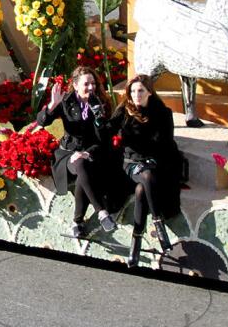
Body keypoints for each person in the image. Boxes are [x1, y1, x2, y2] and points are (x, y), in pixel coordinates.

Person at [37, 66, 126, 238]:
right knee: (79, 163)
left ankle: (77, 222)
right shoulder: (66, 101)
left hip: (93, 152)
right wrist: (52, 105)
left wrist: (99, 118)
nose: (91, 88)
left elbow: (104, 137)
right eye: (86, 84)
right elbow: (42, 121)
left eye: (93, 83)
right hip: (67, 154)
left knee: (83, 169)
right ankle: (101, 213)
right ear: (76, 85)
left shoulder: (101, 103)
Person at [111, 76, 183, 265]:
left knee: (142, 189)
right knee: (146, 176)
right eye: (133, 91)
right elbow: (107, 130)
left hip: (155, 162)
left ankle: (136, 241)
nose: (136, 95)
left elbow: (165, 142)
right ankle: (159, 224)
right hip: (131, 163)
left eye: (141, 90)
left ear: (150, 92)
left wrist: (150, 157)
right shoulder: (123, 111)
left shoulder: (163, 113)